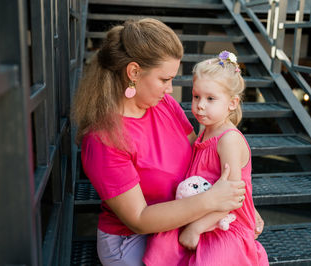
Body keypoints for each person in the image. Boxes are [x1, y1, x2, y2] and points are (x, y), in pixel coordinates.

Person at [72, 18, 263, 266]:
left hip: (181, 224)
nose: (171, 89)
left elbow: (206, 163)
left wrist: (241, 204)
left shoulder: (164, 105)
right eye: (164, 79)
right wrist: (211, 201)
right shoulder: (103, 140)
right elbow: (138, 219)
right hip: (132, 239)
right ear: (133, 73)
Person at [143, 51, 269, 266]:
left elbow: (232, 196)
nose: (200, 105)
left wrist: (196, 228)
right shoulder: (205, 132)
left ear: (232, 103)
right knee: (161, 246)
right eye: (196, 96)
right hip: (203, 209)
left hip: (227, 220)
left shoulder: (228, 140)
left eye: (211, 99)